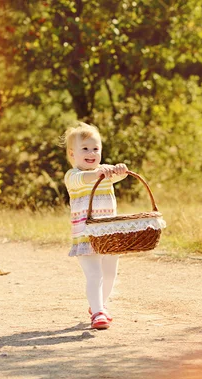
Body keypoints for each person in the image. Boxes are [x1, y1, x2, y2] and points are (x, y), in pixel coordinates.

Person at [62, 122, 128, 330]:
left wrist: (119, 170)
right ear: (73, 154)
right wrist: (101, 173)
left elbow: (121, 176)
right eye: (85, 149)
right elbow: (87, 178)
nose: (91, 153)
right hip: (86, 234)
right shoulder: (73, 176)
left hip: (108, 233)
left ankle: (100, 304)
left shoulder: (104, 173)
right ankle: (98, 312)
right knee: (94, 274)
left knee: (109, 273)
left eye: (95, 149)